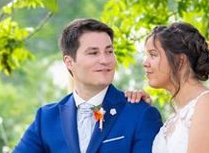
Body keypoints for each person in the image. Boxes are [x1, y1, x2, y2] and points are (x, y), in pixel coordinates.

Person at [12, 18, 163, 153]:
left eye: (109, 51)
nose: (105, 60)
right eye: (93, 53)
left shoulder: (140, 113)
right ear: (69, 62)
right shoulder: (46, 119)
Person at [142, 22, 209, 153]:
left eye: (153, 55)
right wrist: (140, 107)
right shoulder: (174, 119)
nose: (145, 63)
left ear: (180, 61)